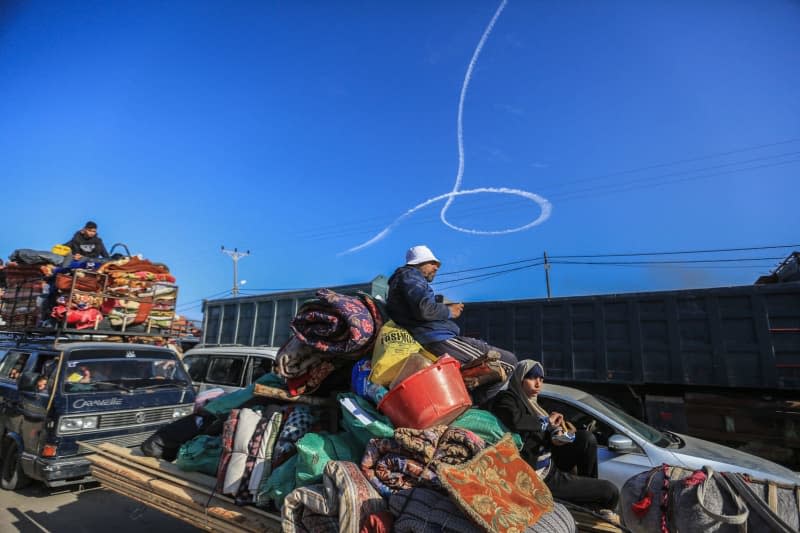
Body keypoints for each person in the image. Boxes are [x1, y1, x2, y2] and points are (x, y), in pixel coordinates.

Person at [385, 245, 518, 405]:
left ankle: (469, 392)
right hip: (437, 338)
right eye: (433, 263)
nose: (437, 268)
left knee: (504, 362)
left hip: (440, 337)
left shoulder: (407, 279)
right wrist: (449, 311)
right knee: (507, 363)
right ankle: (472, 405)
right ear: (420, 262)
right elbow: (424, 309)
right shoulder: (410, 276)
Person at [490, 359, 620, 520]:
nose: (538, 383)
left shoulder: (534, 403)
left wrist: (558, 434)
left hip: (549, 461)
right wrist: (546, 422)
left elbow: (541, 434)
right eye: (532, 377)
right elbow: (517, 422)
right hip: (537, 475)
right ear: (519, 378)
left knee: (586, 439)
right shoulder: (507, 399)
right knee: (610, 491)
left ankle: (586, 501)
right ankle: (586, 507)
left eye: (541, 379)